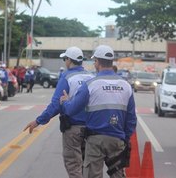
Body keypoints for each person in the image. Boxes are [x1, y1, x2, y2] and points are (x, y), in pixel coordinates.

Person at [60, 45, 137, 178]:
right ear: (111, 62)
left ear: (97, 62)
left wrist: (65, 101)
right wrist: (124, 137)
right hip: (117, 138)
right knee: (117, 174)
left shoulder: (90, 85)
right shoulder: (126, 86)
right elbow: (131, 119)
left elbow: (71, 109)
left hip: (95, 140)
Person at [24, 46, 94, 178]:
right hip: (92, 128)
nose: (65, 62)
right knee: (88, 165)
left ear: (69, 60)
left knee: (74, 165)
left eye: (65, 59)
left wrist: (38, 121)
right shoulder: (91, 77)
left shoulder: (67, 77)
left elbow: (56, 105)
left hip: (73, 128)